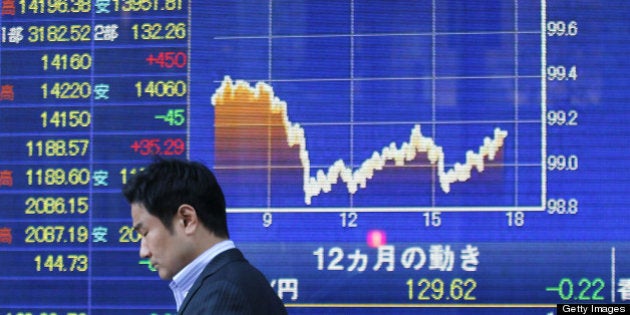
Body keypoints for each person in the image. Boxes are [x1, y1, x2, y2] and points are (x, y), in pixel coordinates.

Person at [122, 157, 288, 314]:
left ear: (187, 220)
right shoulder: (230, 283)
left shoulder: (224, 294)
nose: (143, 252)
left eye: (145, 233)